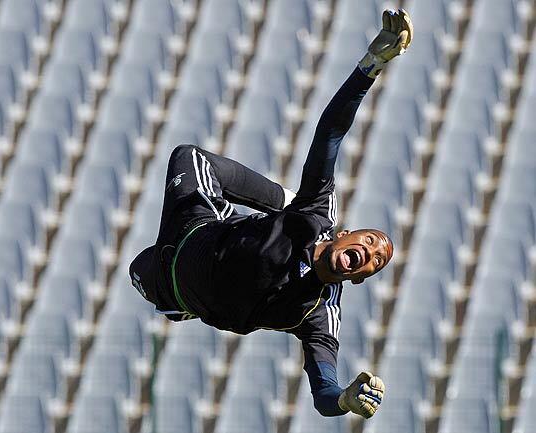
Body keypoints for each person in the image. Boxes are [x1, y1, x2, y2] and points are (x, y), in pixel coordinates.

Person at [130, 9, 413, 418]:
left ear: (361, 277)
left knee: (135, 274)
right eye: (369, 242)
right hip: (194, 227)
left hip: (174, 291)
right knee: (188, 156)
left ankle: (203, 276)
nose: (369, 253)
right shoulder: (316, 215)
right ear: (345, 233)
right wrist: (369, 67)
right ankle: (282, 200)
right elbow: (330, 132)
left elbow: (324, 390)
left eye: (375, 261)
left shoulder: (319, 312)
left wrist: (345, 399)